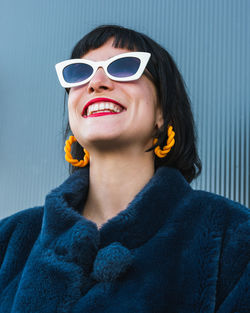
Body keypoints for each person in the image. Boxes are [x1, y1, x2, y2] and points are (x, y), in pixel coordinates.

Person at [0, 25, 249, 313]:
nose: (96, 82)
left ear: (163, 113)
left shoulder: (233, 238)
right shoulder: (10, 239)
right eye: (79, 73)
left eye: (124, 66)